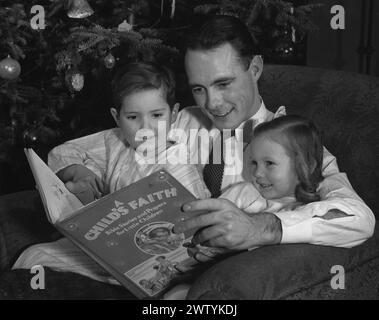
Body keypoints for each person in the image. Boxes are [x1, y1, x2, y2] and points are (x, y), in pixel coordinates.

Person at [172, 15, 375, 252]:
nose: (212, 103)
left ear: (255, 68)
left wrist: (262, 228)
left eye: (223, 84)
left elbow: (359, 220)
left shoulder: (293, 142)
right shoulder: (183, 120)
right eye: (199, 89)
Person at [12, 61, 210, 283]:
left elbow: (199, 226)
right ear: (117, 117)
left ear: (173, 114)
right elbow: (63, 152)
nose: (146, 127)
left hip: (159, 260)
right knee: (33, 256)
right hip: (107, 253)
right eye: (133, 117)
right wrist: (82, 172)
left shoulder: (180, 165)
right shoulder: (115, 142)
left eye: (157, 115)